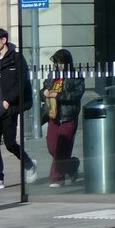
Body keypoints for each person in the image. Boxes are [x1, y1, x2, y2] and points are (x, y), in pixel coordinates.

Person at [0, 27, 38, 190]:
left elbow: (22, 84)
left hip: (8, 108)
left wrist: (8, 101)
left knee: (10, 143)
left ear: (4, 40)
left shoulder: (17, 59)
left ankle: (28, 164)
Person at [40, 49, 85, 187]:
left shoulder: (76, 75)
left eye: (62, 63)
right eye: (58, 63)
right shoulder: (53, 75)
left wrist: (58, 96)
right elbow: (43, 90)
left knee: (61, 148)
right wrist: (45, 93)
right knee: (52, 147)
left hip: (68, 115)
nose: (60, 66)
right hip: (53, 115)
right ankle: (71, 164)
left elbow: (77, 94)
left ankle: (56, 178)